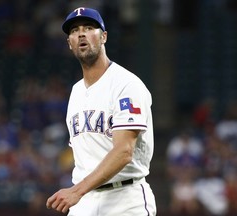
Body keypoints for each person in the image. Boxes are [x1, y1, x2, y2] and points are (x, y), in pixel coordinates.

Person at [46, 7, 156, 215]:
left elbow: (124, 151)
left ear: (103, 36)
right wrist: (79, 190)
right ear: (70, 43)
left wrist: (77, 190)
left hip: (125, 198)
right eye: (74, 31)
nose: (81, 34)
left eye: (89, 28)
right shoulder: (76, 91)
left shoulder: (126, 85)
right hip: (84, 201)